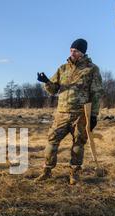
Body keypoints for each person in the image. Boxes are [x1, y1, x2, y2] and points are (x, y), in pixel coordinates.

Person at [36, 39, 103, 185]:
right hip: (62, 113)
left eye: (76, 51)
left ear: (83, 52)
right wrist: (46, 81)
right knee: (52, 142)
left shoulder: (92, 69)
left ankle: (74, 174)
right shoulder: (63, 68)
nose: (73, 53)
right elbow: (54, 90)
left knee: (78, 144)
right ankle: (46, 170)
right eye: (71, 50)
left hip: (80, 114)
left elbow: (96, 93)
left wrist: (93, 115)